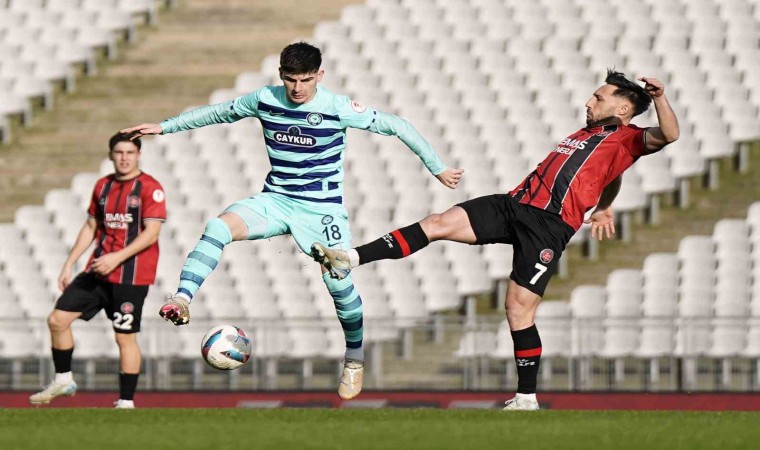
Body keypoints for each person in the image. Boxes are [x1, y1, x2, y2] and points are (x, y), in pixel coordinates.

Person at [311, 70, 679, 410]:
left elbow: (669, 135)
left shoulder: (628, 137)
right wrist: (605, 206)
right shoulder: (588, 135)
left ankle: (526, 397)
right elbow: (612, 173)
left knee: (518, 309)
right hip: (513, 204)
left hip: (547, 225)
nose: (589, 102)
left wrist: (659, 97)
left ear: (622, 108)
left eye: (598, 98)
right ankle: (349, 258)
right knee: (438, 223)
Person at [120, 42, 462, 400]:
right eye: (291, 79)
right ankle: (182, 299)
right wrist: (164, 127)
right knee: (218, 226)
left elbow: (397, 125)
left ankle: (355, 358)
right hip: (276, 201)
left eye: (306, 79)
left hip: (321, 208)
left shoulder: (337, 107)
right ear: (281, 75)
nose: (298, 88)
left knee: (337, 281)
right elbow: (219, 112)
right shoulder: (265, 99)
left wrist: (438, 168)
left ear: (320, 75)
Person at [29, 133, 166, 408]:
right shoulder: (103, 186)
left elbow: (152, 233)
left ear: (139, 155)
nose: (124, 158)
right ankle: (64, 380)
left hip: (131, 277)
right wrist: (69, 263)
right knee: (57, 320)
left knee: (124, 337)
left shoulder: (150, 188)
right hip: (98, 271)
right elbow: (91, 226)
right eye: (119, 152)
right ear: (111, 155)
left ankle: (126, 401)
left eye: (130, 152)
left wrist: (117, 258)